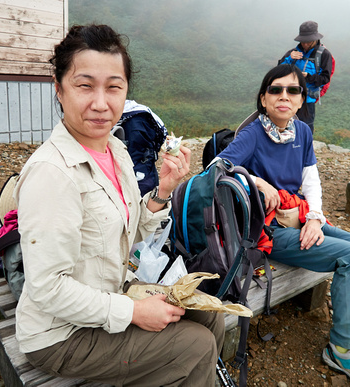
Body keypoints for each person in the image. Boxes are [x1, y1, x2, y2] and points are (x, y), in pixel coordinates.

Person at [13, 24, 224, 386]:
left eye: (113, 87)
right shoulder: (53, 173)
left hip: (110, 290)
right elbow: (47, 288)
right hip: (61, 334)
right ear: (59, 88)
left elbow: (128, 231)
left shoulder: (115, 149)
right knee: (196, 344)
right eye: (84, 85)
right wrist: (134, 312)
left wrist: (162, 191)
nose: (100, 102)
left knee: (209, 314)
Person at [217, 64, 350, 387]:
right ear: (263, 98)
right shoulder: (252, 135)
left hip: (300, 216)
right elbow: (217, 168)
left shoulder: (301, 131)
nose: (284, 96)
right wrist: (256, 181)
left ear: (302, 99)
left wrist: (315, 217)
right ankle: (343, 348)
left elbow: (311, 179)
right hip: (268, 231)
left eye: (293, 90)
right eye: (275, 90)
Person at [279, 20, 334, 133]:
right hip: (289, 97)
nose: (305, 44)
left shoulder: (324, 55)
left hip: (307, 101)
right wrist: (290, 58)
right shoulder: (293, 52)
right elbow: (278, 71)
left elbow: (325, 78)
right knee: (285, 127)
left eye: (308, 41)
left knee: (305, 130)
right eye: (303, 41)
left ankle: (305, 150)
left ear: (315, 39)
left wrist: (308, 77)